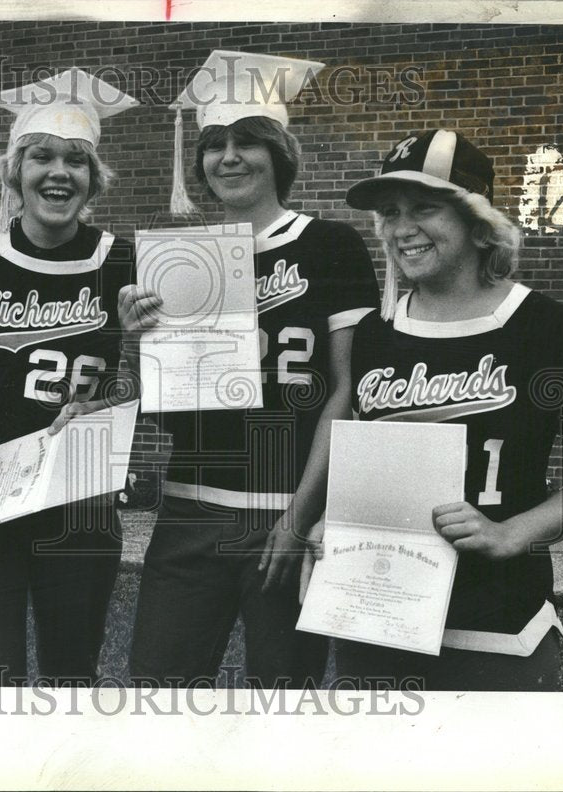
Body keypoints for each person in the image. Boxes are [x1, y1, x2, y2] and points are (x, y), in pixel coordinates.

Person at [300, 129, 563, 691]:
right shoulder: (374, 333)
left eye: (425, 208)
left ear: (478, 220)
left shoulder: (543, 325)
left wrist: (514, 533)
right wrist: (331, 525)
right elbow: (369, 471)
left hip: (497, 624)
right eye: (390, 212)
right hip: (377, 618)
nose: (402, 228)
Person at [120, 51, 380, 687]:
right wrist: (137, 342)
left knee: (282, 698)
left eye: (247, 142)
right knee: (159, 690)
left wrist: (301, 516)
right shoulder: (183, 258)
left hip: (284, 508)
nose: (228, 157)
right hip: (188, 510)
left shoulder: (331, 244)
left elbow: (348, 388)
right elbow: (161, 399)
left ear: (280, 154)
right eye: (214, 145)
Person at [0, 69, 140, 686]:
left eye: (76, 161)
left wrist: (119, 388)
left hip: (79, 487)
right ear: (14, 173)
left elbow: (164, 377)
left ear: (92, 179)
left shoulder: (124, 258)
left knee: (71, 674)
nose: (58, 172)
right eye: (40, 157)